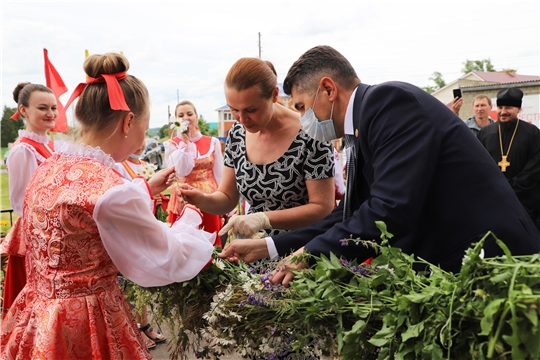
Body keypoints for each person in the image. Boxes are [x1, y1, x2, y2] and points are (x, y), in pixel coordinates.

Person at [218, 45, 540, 286]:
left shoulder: (389, 104)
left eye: (302, 107)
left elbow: (389, 208)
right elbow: (351, 214)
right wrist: (269, 246)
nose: (303, 120)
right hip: (462, 264)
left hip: (495, 261)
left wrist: (308, 255)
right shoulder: (360, 129)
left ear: (328, 89)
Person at [0, 52, 216, 359]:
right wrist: (192, 217)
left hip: (37, 313)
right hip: (86, 320)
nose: (144, 137)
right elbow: (168, 257)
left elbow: (84, 215)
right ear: (128, 121)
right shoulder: (110, 188)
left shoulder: (50, 165)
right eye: (145, 125)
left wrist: (143, 187)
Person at [180, 57, 336, 241]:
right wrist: (203, 199)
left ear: (274, 95)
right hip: (252, 252)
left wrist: (263, 219)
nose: (242, 119)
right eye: (234, 110)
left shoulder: (310, 133)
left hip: (300, 252)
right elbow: (228, 197)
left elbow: (322, 208)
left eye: (251, 110)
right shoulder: (237, 135)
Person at [1, 82, 57, 318]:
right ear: (23, 110)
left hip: (54, 234)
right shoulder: (23, 150)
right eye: (43, 108)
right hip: (38, 238)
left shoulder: (49, 146)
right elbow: (21, 203)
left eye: (53, 108)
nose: (51, 114)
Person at [115, 140, 168, 350]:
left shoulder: (144, 163)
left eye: (143, 138)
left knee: (141, 281)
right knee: (128, 283)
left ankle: (144, 323)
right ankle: (133, 327)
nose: (140, 143)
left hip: (145, 226)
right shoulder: (119, 165)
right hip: (129, 230)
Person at [477, 88, 540, 231]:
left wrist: (513, 186)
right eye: (500, 107)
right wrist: (495, 186)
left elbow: (536, 164)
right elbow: (479, 163)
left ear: (518, 109)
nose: (503, 111)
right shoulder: (485, 133)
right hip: (494, 199)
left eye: (508, 108)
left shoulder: (532, 133)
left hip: (525, 200)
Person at [165, 100, 224, 235]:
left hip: (209, 198)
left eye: (189, 114)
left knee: (211, 240)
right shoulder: (171, 144)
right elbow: (180, 170)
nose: (185, 118)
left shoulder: (212, 142)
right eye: (181, 115)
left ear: (196, 117)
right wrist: (185, 143)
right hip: (183, 199)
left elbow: (219, 173)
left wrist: (224, 203)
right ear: (176, 120)